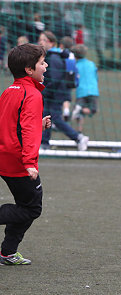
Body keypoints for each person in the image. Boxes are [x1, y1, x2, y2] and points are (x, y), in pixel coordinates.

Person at [0, 43, 52, 265]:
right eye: (42, 63)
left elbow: (13, 124)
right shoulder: (32, 94)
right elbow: (28, 132)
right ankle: (7, 251)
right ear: (29, 70)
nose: (46, 65)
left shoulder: (10, 91)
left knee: (25, 206)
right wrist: (29, 162)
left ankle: (7, 252)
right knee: (32, 208)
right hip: (18, 161)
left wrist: (38, 124)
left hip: (6, 157)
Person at [38, 31, 89, 151]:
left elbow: (55, 78)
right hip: (51, 92)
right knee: (46, 115)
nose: (40, 42)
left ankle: (78, 138)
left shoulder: (54, 57)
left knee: (55, 118)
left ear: (51, 42)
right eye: (40, 39)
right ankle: (44, 143)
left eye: (43, 40)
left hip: (56, 93)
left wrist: (44, 89)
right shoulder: (50, 55)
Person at [70, 44, 99, 133]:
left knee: (80, 113)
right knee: (93, 110)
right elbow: (96, 77)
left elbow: (73, 78)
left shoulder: (75, 65)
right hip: (93, 91)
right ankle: (80, 110)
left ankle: (79, 129)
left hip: (81, 91)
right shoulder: (92, 64)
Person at [59, 36, 78, 121]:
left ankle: (58, 116)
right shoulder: (72, 55)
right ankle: (66, 111)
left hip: (61, 76)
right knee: (67, 96)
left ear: (61, 45)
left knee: (59, 97)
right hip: (70, 77)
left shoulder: (59, 53)